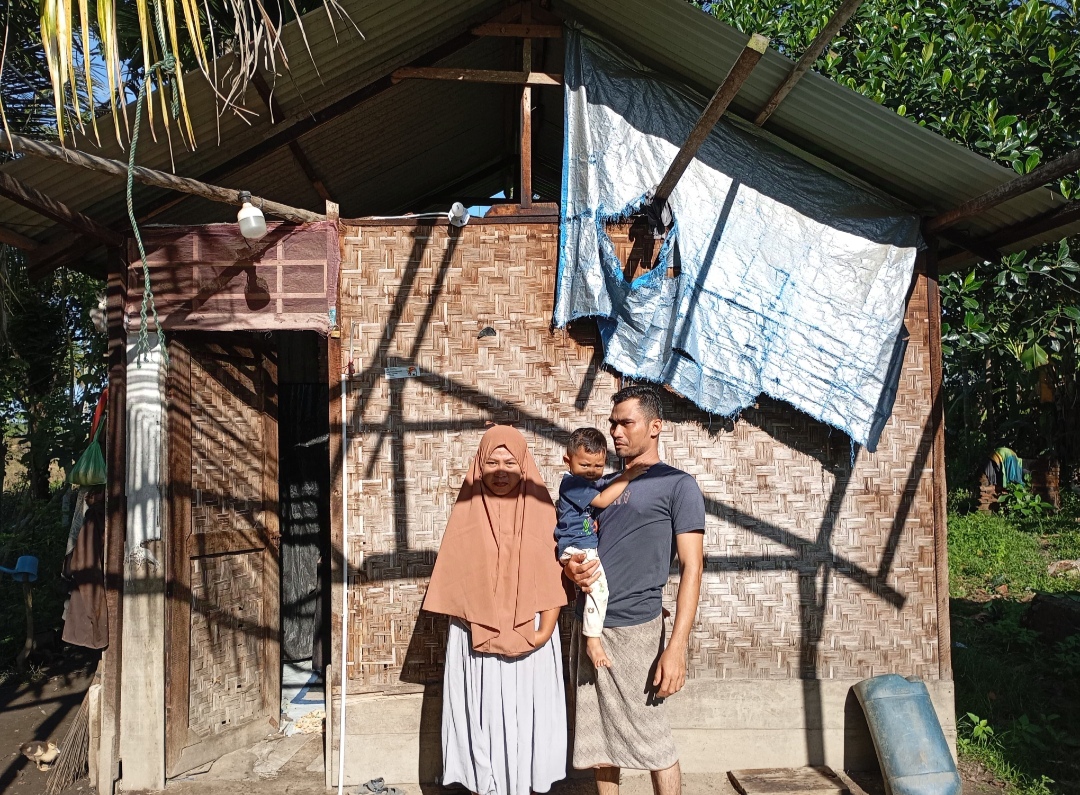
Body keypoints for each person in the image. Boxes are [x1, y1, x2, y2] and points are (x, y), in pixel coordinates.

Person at [563, 385, 706, 795]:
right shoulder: (598, 486)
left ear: (655, 426)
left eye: (626, 422)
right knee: (599, 741)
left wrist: (676, 647)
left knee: (653, 739)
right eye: (612, 423)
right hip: (590, 624)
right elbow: (571, 539)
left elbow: (692, 568)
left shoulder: (679, 486)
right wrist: (571, 568)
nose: (616, 432)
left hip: (638, 630)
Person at [423, 425, 569, 795]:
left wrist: (543, 631)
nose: (501, 471)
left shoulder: (541, 511)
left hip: (531, 635)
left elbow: (553, 579)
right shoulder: (466, 514)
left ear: (524, 466)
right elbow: (456, 585)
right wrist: (481, 628)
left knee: (524, 718)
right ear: (479, 466)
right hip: (477, 638)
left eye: (510, 462)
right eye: (492, 462)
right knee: (483, 717)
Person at [555, 427, 648, 668]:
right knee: (599, 591)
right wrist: (628, 476)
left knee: (596, 590)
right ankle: (593, 640)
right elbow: (604, 500)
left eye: (598, 467)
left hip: (581, 544)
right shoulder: (572, 484)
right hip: (578, 548)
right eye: (585, 465)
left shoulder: (583, 483)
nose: (592, 473)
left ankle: (592, 635)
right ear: (568, 461)